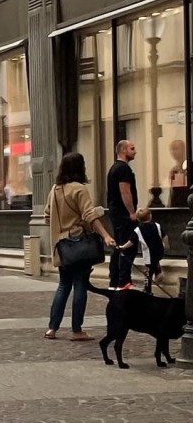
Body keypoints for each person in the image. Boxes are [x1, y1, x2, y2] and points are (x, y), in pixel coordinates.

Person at [44, 151, 116, 341]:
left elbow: (46, 216)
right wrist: (106, 235)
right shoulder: (79, 189)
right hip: (79, 245)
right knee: (80, 284)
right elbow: (89, 216)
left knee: (63, 285)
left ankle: (52, 328)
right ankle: (77, 330)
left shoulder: (55, 189)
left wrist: (61, 226)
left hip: (62, 247)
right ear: (80, 167)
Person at [106, 140, 139, 289]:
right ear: (123, 150)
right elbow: (125, 191)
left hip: (115, 213)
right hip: (123, 214)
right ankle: (124, 281)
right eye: (132, 148)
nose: (135, 151)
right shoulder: (123, 169)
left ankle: (114, 281)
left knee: (119, 247)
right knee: (128, 246)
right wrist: (132, 212)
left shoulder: (114, 168)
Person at [135, 207, 167, 293]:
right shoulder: (157, 225)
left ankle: (147, 289)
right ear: (150, 216)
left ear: (138, 219)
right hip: (158, 251)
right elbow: (164, 236)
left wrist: (123, 247)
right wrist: (166, 245)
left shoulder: (139, 229)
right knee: (155, 262)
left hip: (148, 254)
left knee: (148, 271)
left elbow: (132, 240)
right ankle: (158, 273)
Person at [168, 139, 188, 207]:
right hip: (176, 204)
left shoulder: (188, 167)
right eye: (172, 149)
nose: (174, 152)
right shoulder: (174, 170)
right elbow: (172, 191)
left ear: (183, 150)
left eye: (176, 149)